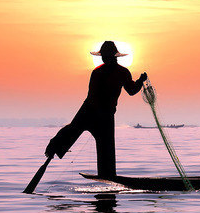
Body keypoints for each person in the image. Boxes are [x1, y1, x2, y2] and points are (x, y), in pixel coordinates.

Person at [45, 41, 147, 177]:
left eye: (105, 56)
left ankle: (107, 176)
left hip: (99, 113)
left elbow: (131, 90)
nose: (104, 58)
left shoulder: (117, 72)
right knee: (73, 131)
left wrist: (140, 81)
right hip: (94, 111)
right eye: (103, 56)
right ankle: (52, 151)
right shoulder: (107, 72)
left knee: (104, 148)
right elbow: (95, 95)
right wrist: (139, 81)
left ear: (112, 56)